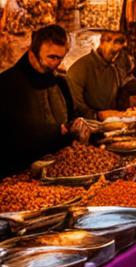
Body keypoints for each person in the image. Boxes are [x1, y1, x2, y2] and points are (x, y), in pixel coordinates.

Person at [0, 25, 91, 176]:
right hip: (18, 176)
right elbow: (14, 131)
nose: (56, 63)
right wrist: (57, 130)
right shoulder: (7, 84)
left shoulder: (60, 82)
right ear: (33, 52)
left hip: (60, 169)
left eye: (60, 58)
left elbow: (71, 115)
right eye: (51, 57)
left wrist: (76, 125)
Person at [66, 30, 136, 118]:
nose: (118, 53)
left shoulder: (116, 63)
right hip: (90, 125)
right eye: (117, 41)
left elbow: (128, 83)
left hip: (115, 121)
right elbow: (75, 107)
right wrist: (98, 115)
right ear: (103, 42)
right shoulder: (80, 69)